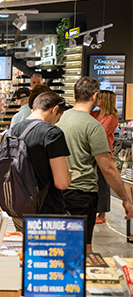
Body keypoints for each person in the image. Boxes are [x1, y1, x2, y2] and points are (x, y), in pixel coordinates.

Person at [57, 77, 133, 253]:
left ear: (75, 95)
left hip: (58, 191)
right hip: (82, 194)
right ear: (95, 97)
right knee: (84, 248)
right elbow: (107, 168)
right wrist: (125, 199)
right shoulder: (93, 126)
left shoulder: (60, 119)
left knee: (60, 246)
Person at [9, 92, 71, 231]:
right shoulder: (52, 133)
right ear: (55, 109)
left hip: (18, 209)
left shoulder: (12, 131)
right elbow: (62, 182)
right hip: (46, 212)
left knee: (25, 251)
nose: (56, 122)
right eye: (58, 118)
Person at [91, 90, 119, 224]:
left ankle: (102, 212)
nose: (97, 100)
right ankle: (95, 209)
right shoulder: (94, 113)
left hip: (103, 153)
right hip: (91, 152)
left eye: (100, 98)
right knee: (94, 182)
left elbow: (100, 131)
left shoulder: (111, 117)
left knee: (102, 183)